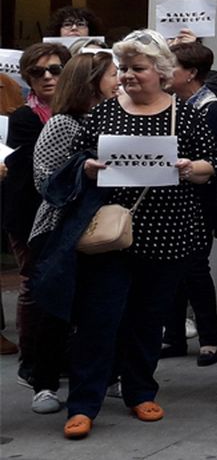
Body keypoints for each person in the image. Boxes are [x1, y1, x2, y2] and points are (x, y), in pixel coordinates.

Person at [56, 30, 217, 439]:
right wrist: (88, 167)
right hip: (112, 232)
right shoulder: (105, 112)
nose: (128, 76)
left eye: (138, 68)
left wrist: (189, 168)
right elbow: (76, 158)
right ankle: (83, 404)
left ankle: (140, 391)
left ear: (161, 72)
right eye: (124, 69)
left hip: (168, 231)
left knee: (149, 319)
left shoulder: (186, 114)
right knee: (98, 319)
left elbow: (211, 166)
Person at [23, 50, 120, 414]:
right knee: (56, 308)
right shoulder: (62, 124)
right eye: (114, 74)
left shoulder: (116, 119)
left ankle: (103, 376)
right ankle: (44, 383)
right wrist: (86, 173)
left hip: (102, 227)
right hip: (58, 229)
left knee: (97, 309)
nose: (121, 80)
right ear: (92, 80)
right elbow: (44, 180)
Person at [2, 42, 72, 383]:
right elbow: (39, 169)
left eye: (55, 70)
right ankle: (31, 362)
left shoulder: (79, 113)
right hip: (28, 216)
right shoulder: (25, 117)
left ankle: (60, 357)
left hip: (67, 216)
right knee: (33, 286)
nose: (47, 77)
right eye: (37, 72)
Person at [162, 41, 217, 367]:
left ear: (190, 73)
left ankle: (209, 339)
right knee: (173, 271)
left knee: (195, 271)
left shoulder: (212, 109)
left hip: (199, 202)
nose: (164, 73)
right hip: (175, 200)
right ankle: (174, 335)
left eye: (171, 67)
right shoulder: (173, 103)